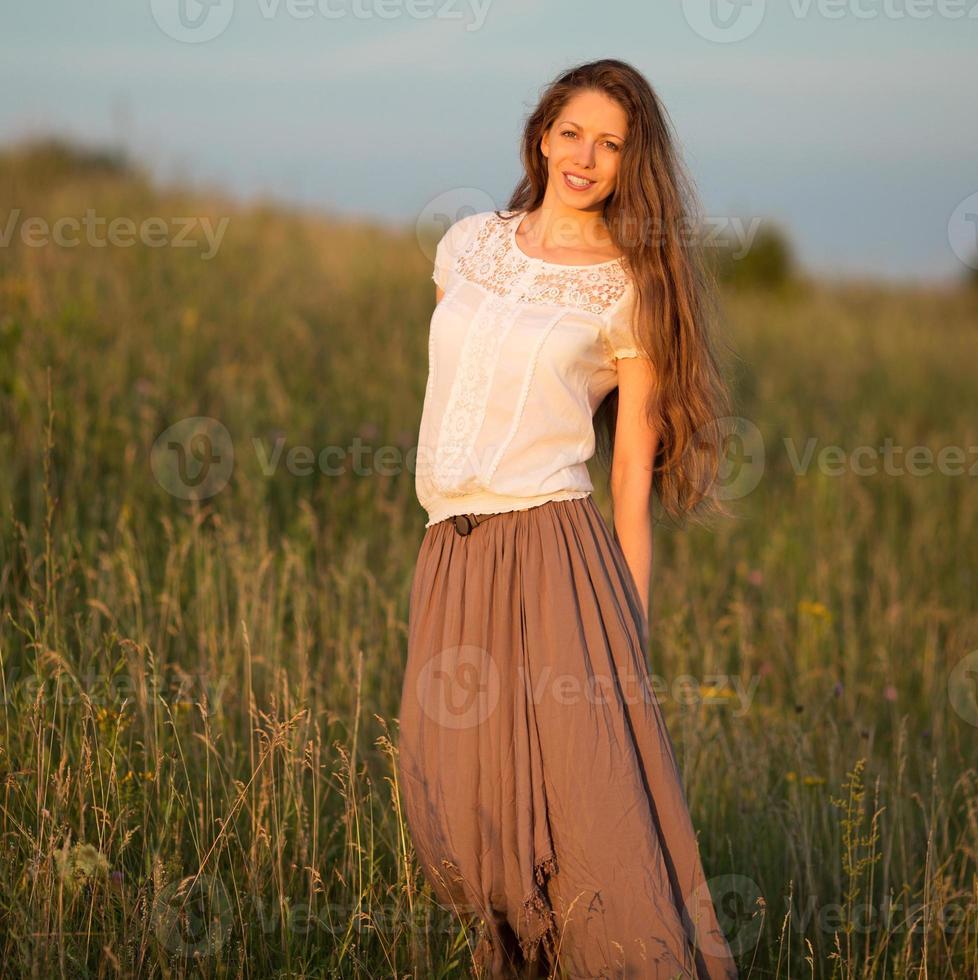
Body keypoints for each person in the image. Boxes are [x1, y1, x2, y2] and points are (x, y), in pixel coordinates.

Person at [398, 58, 740, 979]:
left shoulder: (628, 287)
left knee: (589, 823)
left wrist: (628, 630)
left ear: (633, 166)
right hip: (452, 551)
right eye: (574, 133)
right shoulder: (467, 244)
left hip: (556, 557)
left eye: (613, 144)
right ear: (543, 134)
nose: (587, 157)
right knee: (461, 814)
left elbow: (631, 475)